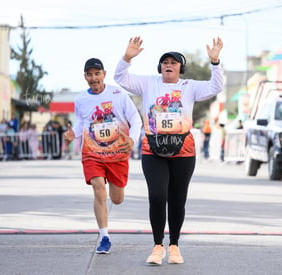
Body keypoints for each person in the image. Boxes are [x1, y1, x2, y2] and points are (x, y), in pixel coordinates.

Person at [114, 36, 224, 265]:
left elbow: (216, 86)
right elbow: (120, 78)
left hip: (183, 150)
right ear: (160, 67)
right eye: (165, 62)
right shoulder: (148, 83)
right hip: (152, 149)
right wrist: (127, 58)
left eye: (174, 62)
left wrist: (215, 62)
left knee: (177, 199)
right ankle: (157, 247)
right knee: (157, 195)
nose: (169, 65)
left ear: (180, 68)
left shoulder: (189, 86)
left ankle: (174, 246)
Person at [63, 57, 142, 254]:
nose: (93, 78)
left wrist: (132, 140)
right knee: (99, 189)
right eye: (89, 75)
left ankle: (114, 201)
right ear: (85, 77)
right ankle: (104, 236)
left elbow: (135, 119)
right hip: (92, 153)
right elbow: (81, 123)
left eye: (97, 74)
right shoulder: (81, 98)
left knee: (116, 199)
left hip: (117, 154)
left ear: (104, 75)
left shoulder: (118, 93)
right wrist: (74, 134)